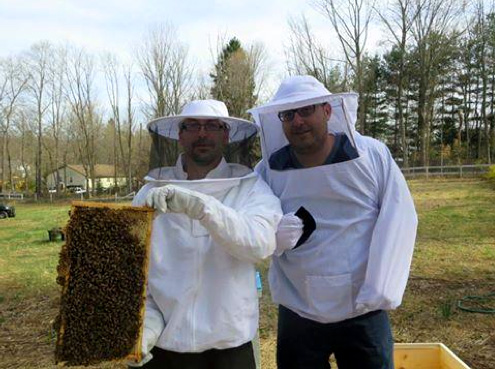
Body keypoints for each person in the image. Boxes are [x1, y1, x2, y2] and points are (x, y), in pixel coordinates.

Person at [248, 75, 418, 369]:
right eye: (288, 115)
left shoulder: (370, 156)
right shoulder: (268, 170)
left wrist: (382, 288)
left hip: (363, 309)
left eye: (306, 110)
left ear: (327, 110)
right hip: (298, 310)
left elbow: (399, 218)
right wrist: (272, 235)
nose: (297, 121)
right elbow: (252, 222)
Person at [129, 99, 282, 369]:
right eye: (193, 126)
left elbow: (260, 244)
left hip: (229, 347)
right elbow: (135, 270)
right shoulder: (149, 193)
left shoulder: (250, 189)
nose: (202, 134)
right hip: (163, 347)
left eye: (212, 126)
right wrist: (146, 323)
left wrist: (201, 207)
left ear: (226, 134)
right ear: (180, 135)